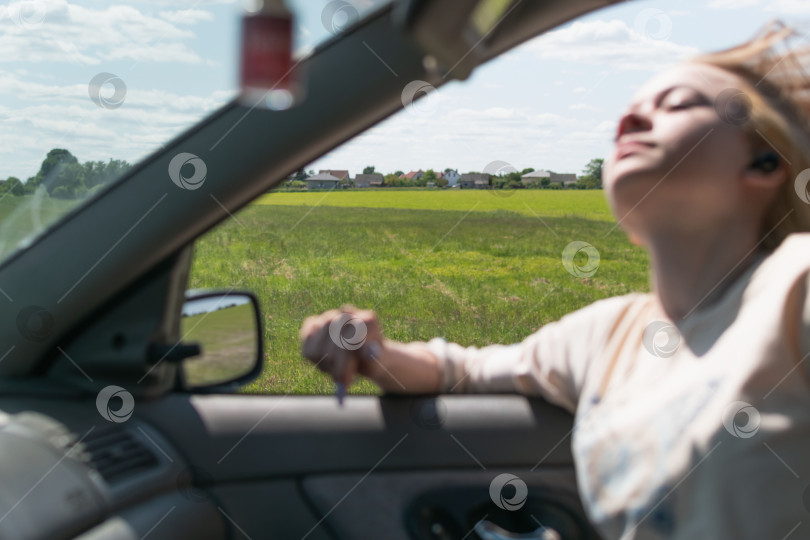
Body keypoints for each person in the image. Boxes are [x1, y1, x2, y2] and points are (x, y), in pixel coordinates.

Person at [299, 21, 810, 539]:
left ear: (763, 164)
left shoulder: (795, 287)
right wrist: (373, 353)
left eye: (676, 104)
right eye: (626, 115)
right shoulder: (607, 335)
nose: (631, 118)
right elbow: (465, 372)